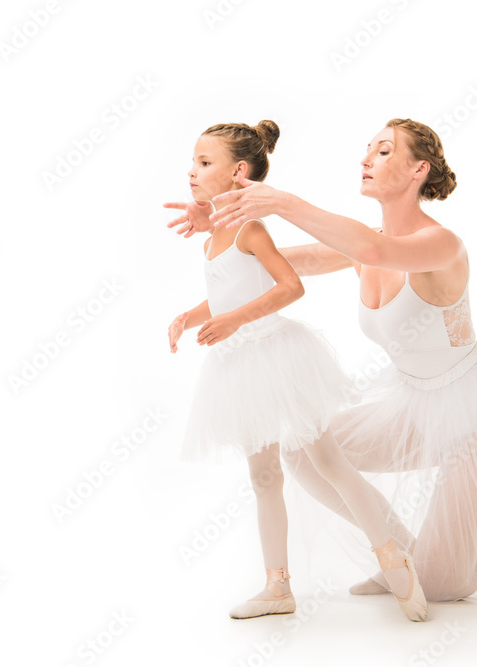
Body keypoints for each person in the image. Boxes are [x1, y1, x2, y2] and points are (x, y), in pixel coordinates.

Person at [166, 117, 477, 601]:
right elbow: (279, 261)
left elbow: (376, 248)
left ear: (417, 170)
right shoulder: (361, 244)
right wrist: (216, 222)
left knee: (445, 588)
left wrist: (283, 201)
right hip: (412, 407)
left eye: (384, 151)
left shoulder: (440, 245)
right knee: (303, 449)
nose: (366, 159)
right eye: (368, 149)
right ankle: (400, 557)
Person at [169, 119, 428, 620]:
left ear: (238, 171)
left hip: (274, 358)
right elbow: (231, 290)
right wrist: (191, 316)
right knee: (264, 477)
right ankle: (277, 586)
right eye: (193, 162)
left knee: (328, 461)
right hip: (238, 367)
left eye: (204, 163)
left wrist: (231, 320)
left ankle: (391, 553)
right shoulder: (216, 233)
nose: (192, 171)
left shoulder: (250, 228)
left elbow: (290, 287)